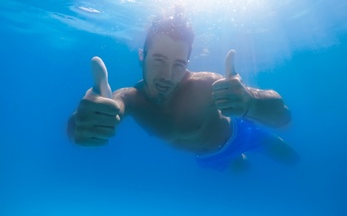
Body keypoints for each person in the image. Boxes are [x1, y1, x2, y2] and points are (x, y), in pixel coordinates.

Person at [67, 9, 298, 171]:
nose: (167, 76)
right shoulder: (130, 99)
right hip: (207, 157)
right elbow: (102, 113)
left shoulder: (205, 85)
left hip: (242, 136)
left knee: (290, 159)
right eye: (158, 60)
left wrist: (251, 102)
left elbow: (284, 117)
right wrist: (81, 123)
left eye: (178, 64)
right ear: (142, 56)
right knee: (244, 175)